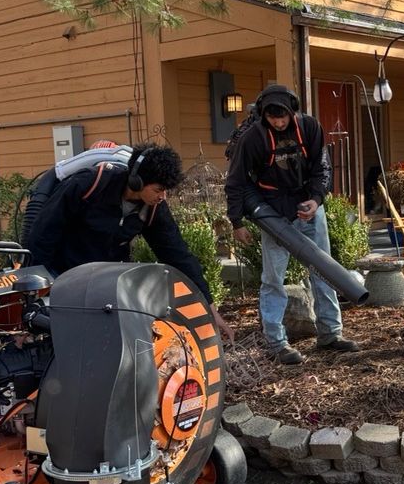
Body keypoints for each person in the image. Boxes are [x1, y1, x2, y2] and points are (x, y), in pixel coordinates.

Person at [26, 142, 233, 342]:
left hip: (105, 281)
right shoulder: (88, 185)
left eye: (166, 191)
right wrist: (36, 289)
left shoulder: (152, 208)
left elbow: (178, 254)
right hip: (64, 274)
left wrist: (210, 308)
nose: (163, 196)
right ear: (137, 181)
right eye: (158, 189)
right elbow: (42, 235)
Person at [225, 84, 360, 364]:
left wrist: (316, 199)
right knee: (273, 279)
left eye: (282, 117)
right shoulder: (253, 138)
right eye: (272, 118)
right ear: (264, 115)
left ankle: (331, 333)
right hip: (273, 213)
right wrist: (237, 221)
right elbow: (236, 181)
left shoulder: (309, 128)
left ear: (292, 111)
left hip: (307, 205)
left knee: (323, 269)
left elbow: (322, 167)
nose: (278, 122)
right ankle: (276, 342)